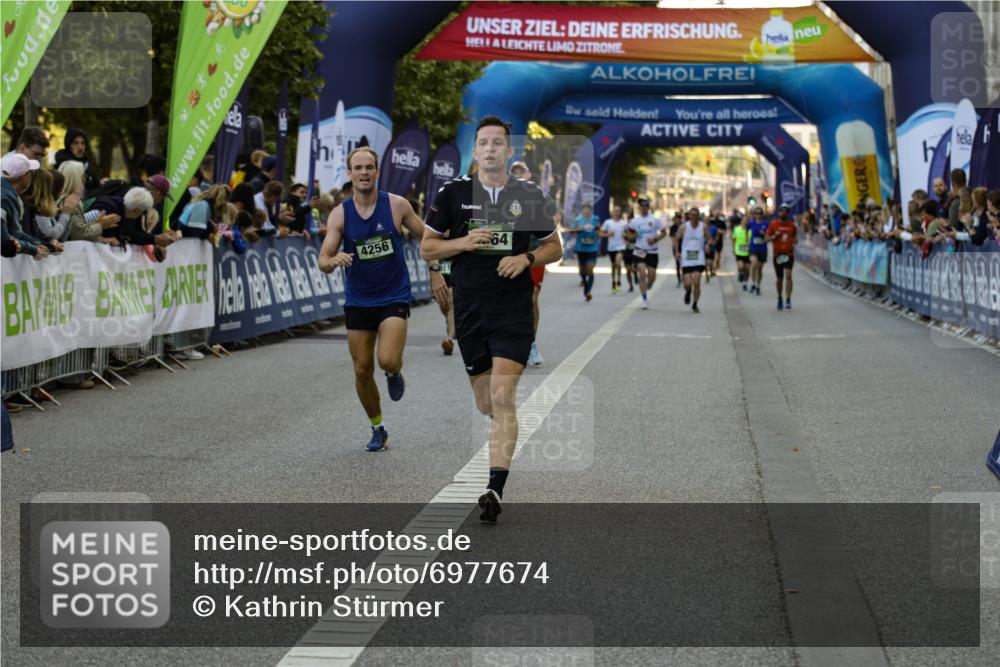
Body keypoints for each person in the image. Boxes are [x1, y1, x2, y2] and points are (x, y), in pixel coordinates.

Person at [420, 115, 562, 523]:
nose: (490, 149)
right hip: (469, 311)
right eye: (483, 143)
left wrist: (526, 257)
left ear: (509, 150)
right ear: (476, 150)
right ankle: (500, 431)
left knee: (502, 397)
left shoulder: (528, 194)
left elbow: (555, 247)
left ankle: (494, 489)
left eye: (498, 143)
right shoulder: (452, 193)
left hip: (512, 311)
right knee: (486, 402)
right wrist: (463, 242)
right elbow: (428, 249)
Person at [319, 147, 425, 452]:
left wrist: (436, 269)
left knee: (387, 359)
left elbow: (426, 238)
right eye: (358, 168)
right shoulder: (340, 213)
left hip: (393, 295)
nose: (364, 173)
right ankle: (378, 427)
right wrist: (334, 259)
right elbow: (322, 260)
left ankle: (393, 372)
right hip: (358, 299)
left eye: (369, 167)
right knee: (362, 370)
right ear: (350, 173)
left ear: (377, 172)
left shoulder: (397, 205)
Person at [626, 197, 666, 310]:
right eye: (641, 206)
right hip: (639, 250)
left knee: (652, 275)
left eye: (646, 206)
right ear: (639, 208)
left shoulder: (654, 220)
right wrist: (633, 236)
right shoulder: (635, 221)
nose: (643, 208)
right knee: (642, 274)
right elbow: (629, 235)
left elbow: (664, 232)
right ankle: (644, 300)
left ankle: (650, 283)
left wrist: (655, 239)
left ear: (649, 207)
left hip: (652, 251)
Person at [674, 207, 709, 313]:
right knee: (688, 283)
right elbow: (676, 239)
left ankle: (695, 303)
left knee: (697, 281)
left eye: (695, 215)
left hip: (699, 258)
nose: (693, 217)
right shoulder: (684, 227)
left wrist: (707, 245)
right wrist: (677, 252)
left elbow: (710, 238)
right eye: (691, 215)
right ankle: (688, 291)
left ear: (698, 216)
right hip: (686, 258)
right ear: (689, 216)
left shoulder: (703, 227)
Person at [766, 204, 798, 310]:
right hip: (778, 254)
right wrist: (775, 236)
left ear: (788, 213)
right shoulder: (774, 224)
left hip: (788, 253)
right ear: (778, 212)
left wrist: (794, 241)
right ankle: (780, 297)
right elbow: (766, 239)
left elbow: (795, 238)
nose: (783, 213)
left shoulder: (792, 226)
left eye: (785, 211)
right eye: (781, 211)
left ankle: (788, 299)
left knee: (788, 275)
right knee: (780, 279)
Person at [567, 202, 600, 301]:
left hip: (592, 248)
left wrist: (597, 235)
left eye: (588, 209)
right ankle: (585, 283)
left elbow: (599, 230)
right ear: (582, 210)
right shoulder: (578, 220)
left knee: (590, 269)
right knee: (582, 271)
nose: (586, 211)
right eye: (584, 209)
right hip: (581, 248)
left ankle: (588, 291)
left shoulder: (595, 219)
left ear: (590, 210)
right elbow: (571, 231)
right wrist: (577, 230)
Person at [600, 204, 629, 294]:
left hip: (621, 246)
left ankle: (619, 280)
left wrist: (626, 236)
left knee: (618, 263)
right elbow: (600, 233)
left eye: (618, 211)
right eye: (615, 211)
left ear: (620, 213)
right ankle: (614, 281)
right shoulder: (608, 222)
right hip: (611, 247)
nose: (617, 213)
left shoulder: (624, 223)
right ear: (613, 213)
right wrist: (607, 234)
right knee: (613, 266)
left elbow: (630, 235)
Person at [747, 206, 769, 295]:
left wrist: (764, 234)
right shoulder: (751, 223)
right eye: (756, 213)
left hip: (762, 248)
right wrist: (746, 238)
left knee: (759, 270)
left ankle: (758, 286)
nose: (758, 215)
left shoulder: (766, 223)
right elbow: (745, 229)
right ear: (754, 215)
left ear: (762, 214)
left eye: (760, 213)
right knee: (754, 264)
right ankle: (752, 282)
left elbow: (769, 236)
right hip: (753, 248)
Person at [731, 212, 752, 290]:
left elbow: (751, 240)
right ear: (741, 221)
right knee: (741, 266)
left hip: (748, 252)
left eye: (747, 220)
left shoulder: (750, 231)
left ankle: (745, 283)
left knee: (747, 269)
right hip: (739, 252)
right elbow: (733, 239)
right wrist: (733, 249)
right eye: (744, 220)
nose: (745, 222)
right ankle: (740, 273)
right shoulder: (736, 229)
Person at [668, 211, 683, 287]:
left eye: (679, 218)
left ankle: (684, 277)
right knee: (677, 264)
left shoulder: (684, 226)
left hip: (684, 247)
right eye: (677, 218)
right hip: (676, 247)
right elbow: (672, 238)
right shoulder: (672, 227)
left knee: (684, 264)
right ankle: (679, 279)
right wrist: (676, 249)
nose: (678, 220)